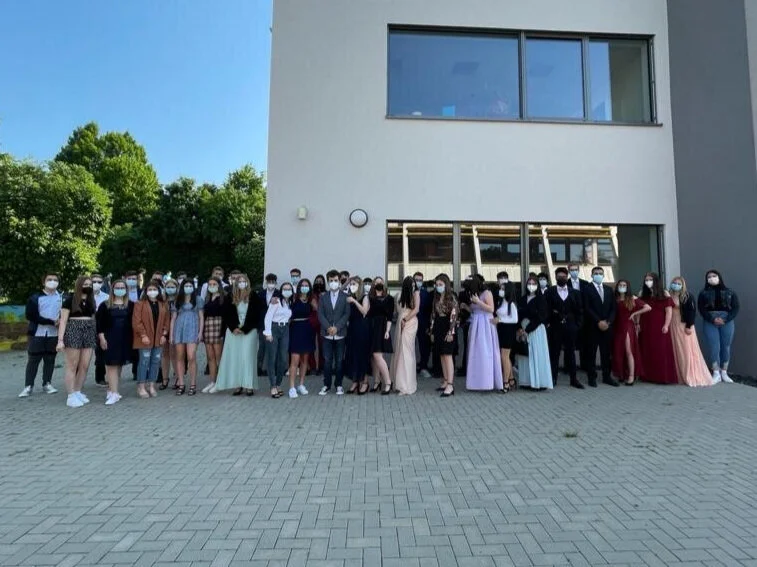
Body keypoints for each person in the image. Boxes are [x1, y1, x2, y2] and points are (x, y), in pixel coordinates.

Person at [57, 275, 98, 407]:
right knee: (72, 365)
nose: (88, 287)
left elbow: (93, 318)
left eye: (90, 285)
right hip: (73, 330)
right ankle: (70, 395)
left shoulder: (92, 301)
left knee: (84, 365)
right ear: (79, 285)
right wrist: (60, 340)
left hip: (89, 331)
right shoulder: (70, 300)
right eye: (85, 284)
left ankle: (77, 391)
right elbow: (63, 321)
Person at [19, 272, 62, 398]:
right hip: (37, 334)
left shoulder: (61, 297)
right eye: (50, 279)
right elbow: (31, 316)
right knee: (33, 360)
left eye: (55, 280)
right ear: (43, 282)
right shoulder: (35, 298)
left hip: (54, 334)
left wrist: (60, 321)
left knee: (50, 359)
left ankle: (47, 383)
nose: (52, 282)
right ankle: (28, 386)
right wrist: (51, 322)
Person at [216, 274, 261, 396]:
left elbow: (256, 314)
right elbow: (226, 314)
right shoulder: (230, 296)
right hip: (233, 330)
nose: (242, 283)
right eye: (239, 281)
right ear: (236, 283)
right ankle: (237, 384)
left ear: (247, 282)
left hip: (249, 330)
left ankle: (248, 385)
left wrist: (245, 328)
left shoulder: (254, 296)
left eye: (243, 281)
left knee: (247, 357)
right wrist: (233, 327)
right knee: (235, 357)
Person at [545, 267, 585, 389]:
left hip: (571, 327)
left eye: (563, 276)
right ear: (555, 277)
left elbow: (580, 311)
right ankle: (553, 378)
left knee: (571, 353)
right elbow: (546, 309)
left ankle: (574, 379)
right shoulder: (549, 292)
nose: (561, 278)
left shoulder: (575, 293)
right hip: (555, 327)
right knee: (554, 353)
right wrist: (549, 323)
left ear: (567, 277)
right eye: (559, 277)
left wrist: (577, 326)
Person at [669, 276, 713, 387]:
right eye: (674, 282)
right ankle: (678, 374)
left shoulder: (687, 296)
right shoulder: (669, 296)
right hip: (672, 324)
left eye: (679, 283)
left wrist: (689, 325)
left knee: (686, 349)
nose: (676, 285)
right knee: (676, 349)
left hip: (683, 325)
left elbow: (692, 311)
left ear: (683, 285)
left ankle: (689, 373)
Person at [95, 279, 134, 404]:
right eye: (117, 288)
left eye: (122, 288)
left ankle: (112, 390)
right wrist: (102, 338)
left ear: (126, 290)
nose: (120, 290)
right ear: (112, 289)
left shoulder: (131, 305)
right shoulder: (105, 305)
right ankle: (114, 393)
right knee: (111, 365)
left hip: (125, 339)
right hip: (110, 338)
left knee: (118, 365)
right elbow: (99, 324)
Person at [698, 269, 739, 383]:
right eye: (709, 277)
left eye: (714, 276)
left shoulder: (730, 292)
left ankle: (724, 372)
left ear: (719, 277)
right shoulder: (703, 293)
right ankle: (716, 372)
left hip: (727, 320)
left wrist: (725, 319)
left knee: (726, 346)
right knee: (714, 346)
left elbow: (736, 308)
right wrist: (712, 319)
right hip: (710, 320)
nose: (711, 278)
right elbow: (701, 309)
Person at [582, 266, 619, 387]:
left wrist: (608, 322)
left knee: (606, 353)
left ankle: (607, 377)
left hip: (607, 327)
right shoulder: (586, 289)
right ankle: (591, 377)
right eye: (596, 273)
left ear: (603, 275)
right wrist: (598, 321)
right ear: (592, 275)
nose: (598, 275)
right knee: (591, 353)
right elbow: (587, 307)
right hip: (592, 326)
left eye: (600, 273)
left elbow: (613, 308)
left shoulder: (608, 289)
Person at [132, 281, 170, 398]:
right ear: (146, 291)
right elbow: (136, 321)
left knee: (155, 361)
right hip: (144, 339)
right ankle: (141, 386)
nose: (152, 292)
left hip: (158, 339)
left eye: (154, 289)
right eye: (150, 289)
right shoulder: (139, 304)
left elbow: (167, 320)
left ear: (158, 291)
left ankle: (151, 385)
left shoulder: (163, 304)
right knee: (144, 361)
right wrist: (143, 335)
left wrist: (164, 334)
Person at [465, 275, 503, 392]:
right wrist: (466, 307)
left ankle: (488, 381)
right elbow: (474, 309)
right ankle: (476, 382)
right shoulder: (473, 294)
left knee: (486, 352)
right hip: (476, 323)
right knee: (475, 353)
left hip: (485, 324)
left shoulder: (487, 293)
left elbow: (491, 309)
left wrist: (478, 302)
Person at [639, 272, 677, 385]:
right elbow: (638, 310)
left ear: (656, 281)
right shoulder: (642, 293)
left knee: (661, 351)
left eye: (650, 279)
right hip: (645, 325)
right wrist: (637, 324)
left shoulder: (664, 293)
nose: (648, 282)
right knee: (647, 350)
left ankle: (662, 377)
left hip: (659, 325)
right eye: (646, 280)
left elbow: (669, 311)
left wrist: (666, 325)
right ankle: (648, 376)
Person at [516, 276, 553, 390]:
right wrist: (519, 328)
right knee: (525, 356)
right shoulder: (522, 299)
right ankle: (526, 382)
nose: (531, 285)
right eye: (529, 283)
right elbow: (518, 315)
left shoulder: (541, 299)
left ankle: (539, 382)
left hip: (535, 330)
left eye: (533, 283)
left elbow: (541, 317)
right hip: (523, 330)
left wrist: (527, 329)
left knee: (536, 355)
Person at [317, 270, 350, 395]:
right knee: (327, 361)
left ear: (339, 281)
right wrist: (328, 327)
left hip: (340, 334)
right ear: (328, 282)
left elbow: (346, 314)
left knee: (339, 361)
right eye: (331, 281)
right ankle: (326, 385)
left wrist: (337, 327)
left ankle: (339, 385)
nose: (333, 283)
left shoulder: (345, 297)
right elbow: (320, 314)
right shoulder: (323, 297)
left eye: (336, 280)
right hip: (327, 335)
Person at [612, 279, 650, 385]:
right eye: (620, 285)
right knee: (618, 351)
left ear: (627, 287)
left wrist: (634, 314)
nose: (622, 287)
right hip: (617, 327)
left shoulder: (632, 298)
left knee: (629, 351)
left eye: (624, 285)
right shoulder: (615, 298)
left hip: (627, 327)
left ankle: (631, 376)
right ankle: (621, 374)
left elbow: (647, 307)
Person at [171, 278, 204, 395]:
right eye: (186, 286)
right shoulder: (177, 299)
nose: (188, 288)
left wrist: (200, 332)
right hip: (179, 329)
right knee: (179, 357)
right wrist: (171, 335)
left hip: (193, 329)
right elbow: (173, 318)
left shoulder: (198, 299)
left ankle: (193, 384)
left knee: (191, 356)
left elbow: (201, 317)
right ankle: (181, 383)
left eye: (190, 286)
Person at [430, 274, 458, 398]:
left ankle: (450, 385)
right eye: (436, 284)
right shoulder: (436, 297)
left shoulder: (451, 298)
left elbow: (454, 316)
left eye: (440, 284)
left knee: (447, 355)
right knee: (441, 354)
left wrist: (451, 332)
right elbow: (433, 314)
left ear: (446, 285)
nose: (438, 287)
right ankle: (445, 380)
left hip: (447, 327)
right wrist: (432, 331)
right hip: (438, 327)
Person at [391, 276, 419, 395]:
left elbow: (416, 309)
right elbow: (396, 311)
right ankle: (398, 382)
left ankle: (406, 385)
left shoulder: (416, 294)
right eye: (411, 285)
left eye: (414, 285)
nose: (413, 287)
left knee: (406, 352)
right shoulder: (398, 296)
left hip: (410, 322)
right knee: (399, 350)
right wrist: (401, 320)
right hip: (401, 322)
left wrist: (405, 319)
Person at [264, 282, 293, 398]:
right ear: (281, 290)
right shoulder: (276, 301)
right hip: (274, 328)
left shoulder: (290, 302)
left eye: (289, 289)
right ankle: (273, 386)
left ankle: (278, 383)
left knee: (283, 358)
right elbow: (268, 317)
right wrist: (268, 333)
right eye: (285, 289)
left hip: (285, 329)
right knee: (272, 358)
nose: (287, 291)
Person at [287, 279, 316, 398]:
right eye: (302, 285)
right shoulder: (294, 298)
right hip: (295, 329)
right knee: (295, 360)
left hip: (307, 330)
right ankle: (291, 387)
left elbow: (318, 310)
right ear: (299, 287)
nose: (304, 287)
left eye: (306, 285)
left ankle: (301, 384)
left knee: (305, 360)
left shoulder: (311, 299)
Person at [367, 276, 395, 394]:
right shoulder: (370, 298)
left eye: (381, 282)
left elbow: (390, 316)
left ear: (384, 284)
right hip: (371, 327)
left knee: (377, 355)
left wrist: (387, 331)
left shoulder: (389, 298)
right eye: (376, 282)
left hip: (382, 327)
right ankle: (377, 381)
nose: (378, 284)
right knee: (374, 358)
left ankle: (388, 382)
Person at [345, 276, 371, 394]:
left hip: (362, 328)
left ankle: (365, 382)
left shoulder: (364, 297)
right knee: (353, 354)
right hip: (352, 328)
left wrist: (355, 302)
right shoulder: (350, 297)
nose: (352, 286)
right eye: (351, 284)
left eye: (354, 284)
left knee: (362, 354)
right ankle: (355, 381)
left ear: (359, 285)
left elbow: (364, 311)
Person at [493, 281, 518, 392]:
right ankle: (511, 379)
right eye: (500, 289)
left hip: (508, 330)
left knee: (504, 356)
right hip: (501, 330)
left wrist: (500, 320)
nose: (501, 291)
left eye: (503, 289)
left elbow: (515, 319)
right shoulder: (501, 302)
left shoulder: (511, 304)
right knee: (504, 356)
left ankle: (505, 382)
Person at [202, 276, 225, 392]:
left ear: (219, 285)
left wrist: (222, 331)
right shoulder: (207, 298)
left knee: (218, 356)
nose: (212, 286)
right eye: (210, 284)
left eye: (214, 284)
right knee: (210, 357)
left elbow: (225, 315)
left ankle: (220, 382)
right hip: (208, 326)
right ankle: (212, 381)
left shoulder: (223, 298)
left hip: (218, 326)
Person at [567, 263, 590, 372]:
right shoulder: (565, 284)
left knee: (584, 343)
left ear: (579, 270)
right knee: (569, 343)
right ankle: (569, 367)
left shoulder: (585, 284)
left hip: (583, 317)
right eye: (572, 270)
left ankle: (584, 365)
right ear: (569, 271)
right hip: (570, 317)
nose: (574, 271)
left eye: (576, 269)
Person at [257, 273, 279, 376]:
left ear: (275, 283)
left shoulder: (279, 293)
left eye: (273, 282)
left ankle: (272, 368)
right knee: (262, 346)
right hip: (262, 324)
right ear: (266, 282)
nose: (271, 284)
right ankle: (259, 367)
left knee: (273, 347)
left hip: (274, 324)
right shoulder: (261, 294)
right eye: (269, 282)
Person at [160, 278, 179, 389]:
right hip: (163, 329)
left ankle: (178, 378)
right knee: (164, 354)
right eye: (168, 287)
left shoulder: (179, 300)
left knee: (174, 354)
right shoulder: (162, 300)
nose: (170, 289)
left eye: (172, 287)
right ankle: (165, 379)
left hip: (175, 329)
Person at [414, 271, 433, 378]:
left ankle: (423, 367)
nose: (418, 282)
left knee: (424, 346)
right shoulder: (409, 292)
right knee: (409, 346)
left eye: (420, 280)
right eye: (416, 280)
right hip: (411, 322)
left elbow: (430, 310)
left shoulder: (426, 294)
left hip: (423, 323)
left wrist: (429, 325)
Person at [91, 273, 109, 387]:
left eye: (99, 282)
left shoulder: (107, 297)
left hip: (101, 328)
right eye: (94, 282)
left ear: (102, 284)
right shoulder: (83, 296)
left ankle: (100, 378)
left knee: (101, 353)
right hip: (86, 327)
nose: (96, 284)